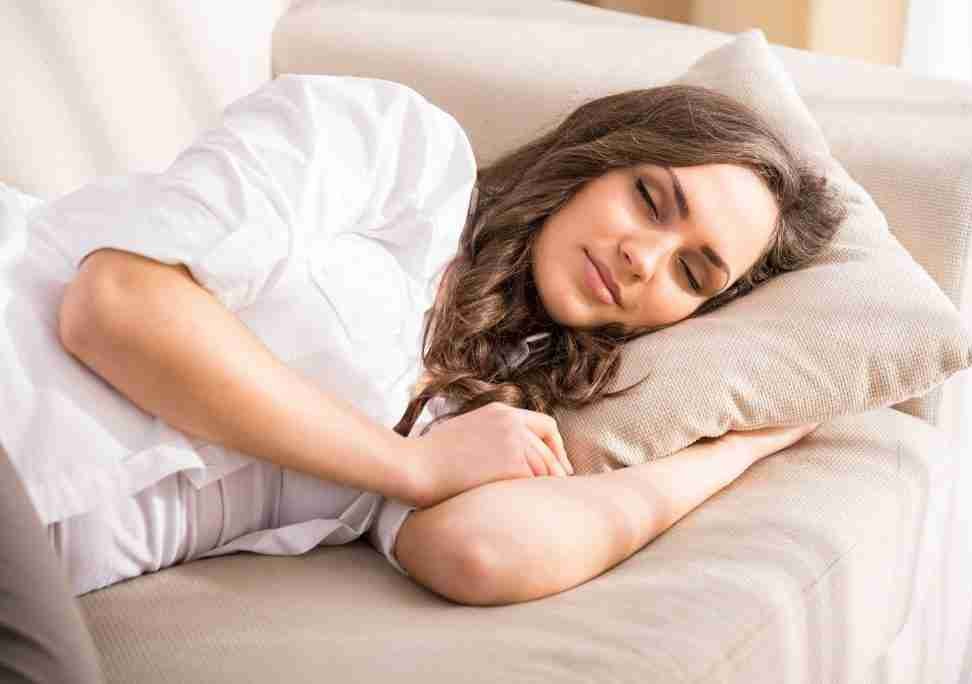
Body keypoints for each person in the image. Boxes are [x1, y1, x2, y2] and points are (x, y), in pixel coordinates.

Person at [0, 73, 844, 680]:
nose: (642, 258)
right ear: (594, 156)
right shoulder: (400, 152)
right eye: (650, 199)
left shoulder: (482, 413)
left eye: (692, 276)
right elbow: (115, 305)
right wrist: (406, 465)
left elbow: (483, 554)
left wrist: (738, 447)